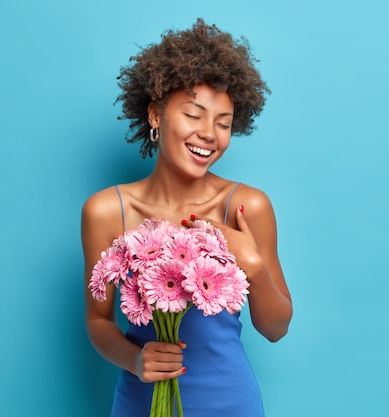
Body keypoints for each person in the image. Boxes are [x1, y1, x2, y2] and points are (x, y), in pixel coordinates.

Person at [81, 19, 292, 416]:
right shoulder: (106, 211)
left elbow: (277, 328)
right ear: (156, 115)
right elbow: (98, 321)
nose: (209, 134)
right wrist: (134, 360)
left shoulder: (247, 206)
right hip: (140, 402)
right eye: (194, 115)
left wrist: (252, 265)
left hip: (229, 401)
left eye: (224, 123)